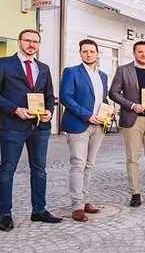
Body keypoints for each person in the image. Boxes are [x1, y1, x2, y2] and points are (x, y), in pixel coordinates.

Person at [0, 29, 61, 231]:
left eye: (35, 41)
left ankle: (39, 210)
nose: (31, 45)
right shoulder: (3, 63)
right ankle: (5, 214)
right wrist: (15, 109)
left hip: (40, 126)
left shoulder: (43, 68)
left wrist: (49, 112)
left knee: (40, 170)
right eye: (27, 40)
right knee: (7, 169)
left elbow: (50, 96)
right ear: (19, 42)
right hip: (13, 125)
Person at [109, 41, 145, 208]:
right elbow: (113, 92)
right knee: (132, 159)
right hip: (132, 119)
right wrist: (131, 105)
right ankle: (135, 193)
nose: (143, 54)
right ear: (134, 53)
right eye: (140, 52)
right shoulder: (123, 70)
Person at [59, 39, 108, 222]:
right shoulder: (71, 72)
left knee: (89, 164)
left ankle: (85, 200)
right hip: (79, 124)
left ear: (97, 53)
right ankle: (77, 206)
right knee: (78, 164)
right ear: (80, 53)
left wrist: (110, 110)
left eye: (91, 51)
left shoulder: (103, 76)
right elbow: (66, 97)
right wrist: (86, 115)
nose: (88, 54)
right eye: (85, 51)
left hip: (98, 125)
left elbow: (102, 99)